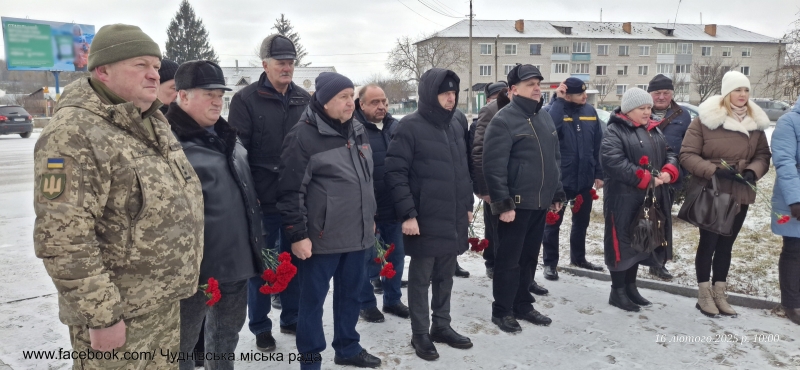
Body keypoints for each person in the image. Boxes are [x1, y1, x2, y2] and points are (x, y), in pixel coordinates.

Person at [32, 24, 203, 368]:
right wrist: (102, 317)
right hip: (119, 316)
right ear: (103, 70)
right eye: (141, 65)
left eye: (156, 66)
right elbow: (64, 238)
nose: (154, 75)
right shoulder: (74, 134)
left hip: (161, 304)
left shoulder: (152, 121)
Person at [278, 72, 381, 369]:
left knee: (350, 297)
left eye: (352, 96)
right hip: (320, 239)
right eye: (343, 97)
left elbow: (366, 180)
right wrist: (298, 235)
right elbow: (289, 191)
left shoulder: (358, 129)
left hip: (357, 235)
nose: (351, 103)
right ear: (324, 101)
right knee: (311, 303)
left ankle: (348, 347)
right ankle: (310, 359)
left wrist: (370, 217)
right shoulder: (302, 137)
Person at [167, 60, 265, 370]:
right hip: (194, 272)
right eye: (208, 93)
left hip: (235, 263)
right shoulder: (168, 145)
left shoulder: (228, 138)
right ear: (182, 96)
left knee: (225, 339)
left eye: (220, 94)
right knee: (181, 346)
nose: (216, 100)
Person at [228, 33, 310, 351]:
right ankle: (261, 326)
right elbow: (238, 152)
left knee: (293, 261)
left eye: (290, 62)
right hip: (262, 201)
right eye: (281, 62)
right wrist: (250, 197)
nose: (287, 67)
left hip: (296, 201)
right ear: (265, 64)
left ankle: (291, 316)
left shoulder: (304, 100)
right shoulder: (246, 100)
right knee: (265, 264)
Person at [385, 68, 474, 361]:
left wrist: (467, 205)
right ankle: (420, 333)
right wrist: (408, 214)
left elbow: (462, 170)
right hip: (423, 217)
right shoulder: (409, 126)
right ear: (429, 95)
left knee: (446, 276)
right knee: (421, 278)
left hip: (452, 215)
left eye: (453, 93)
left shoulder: (456, 124)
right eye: (444, 93)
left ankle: (442, 325)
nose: (451, 99)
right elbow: (395, 174)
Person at [680, 71, 771, 318]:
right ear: (726, 93)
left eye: (746, 90)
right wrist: (714, 171)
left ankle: (720, 292)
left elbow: (763, 155)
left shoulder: (755, 123)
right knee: (708, 244)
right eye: (737, 90)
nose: (742, 95)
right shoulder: (705, 120)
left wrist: (753, 171)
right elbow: (687, 155)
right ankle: (703, 294)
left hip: (740, 191)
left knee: (727, 244)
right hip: (713, 191)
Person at [483, 64, 563, 333]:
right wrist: (503, 204)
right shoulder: (503, 120)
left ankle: (523, 304)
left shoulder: (544, 117)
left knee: (529, 257)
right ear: (513, 90)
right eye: (530, 84)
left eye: (538, 83)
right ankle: (502, 310)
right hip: (514, 206)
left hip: (539, 202)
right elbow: (493, 167)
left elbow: (554, 160)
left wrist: (557, 192)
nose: (537, 88)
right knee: (508, 260)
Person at [600, 88, 679, 313]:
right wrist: (646, 178)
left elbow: (670, 152)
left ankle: (631, 287)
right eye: (642, 108)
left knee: (639, 241)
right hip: (623, 199)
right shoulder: (615, 131)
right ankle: (617, 291)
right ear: (628, 110)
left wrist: (668, 170)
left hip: (647, 199)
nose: (648, 112)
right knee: (621, 243)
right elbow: (613, 161)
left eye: (648, 108)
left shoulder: (653, 130)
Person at [355, 84, 410, 323]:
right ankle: (366, 303)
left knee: (396, 256)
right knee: (368, 260)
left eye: (384, 102)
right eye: (375, 102)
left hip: (394, 205)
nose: (382, 107)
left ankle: (393, 299)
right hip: (368, 209)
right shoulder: (353, 130)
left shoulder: (396, 127)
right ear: (362, 104)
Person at [542, 77, 605, 282]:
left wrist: (598, 172)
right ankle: (550, 263)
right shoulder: (552, 110)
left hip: (584, 179)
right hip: (561, 180)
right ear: (566, 95)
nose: (585, 97)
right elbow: (549, 130)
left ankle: (579, 258)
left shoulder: (590, 112)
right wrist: (559, 102)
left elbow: (598, 144)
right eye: (580, 94)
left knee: (582, 222)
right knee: (553, 223)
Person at [645, 74, 693, 281]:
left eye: (666, 93)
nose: (662, 97)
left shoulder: (682, 115)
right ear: (650, 94)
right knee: (638, 219)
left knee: (662, 220)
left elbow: (688, 147)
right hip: (643, 175)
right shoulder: (641, 111)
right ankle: (636, 258)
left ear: (672, 94)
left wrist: (680, 171)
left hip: (669, 177)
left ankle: (658, 263)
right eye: (657, 93)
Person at [472, 81, 510, 280]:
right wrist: (484, 188)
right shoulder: (489, 111)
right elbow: (479, 150)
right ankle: (492, 262)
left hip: (515, 182)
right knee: (493, 225)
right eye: (495, 95)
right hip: (494, 180)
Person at [771, 93, 800, 326]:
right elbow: (784, 161)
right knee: (794, 250)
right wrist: (795, 199)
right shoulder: (789, 121)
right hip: (796, 197)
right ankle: (791, 303)